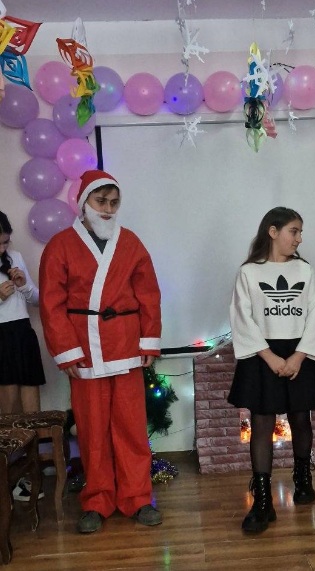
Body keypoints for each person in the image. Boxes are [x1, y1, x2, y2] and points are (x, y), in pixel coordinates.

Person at [39, 169, 163, 534]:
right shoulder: (60, 245)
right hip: (86, 349)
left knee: (131, 427)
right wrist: (66, 351)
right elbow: (51, 303)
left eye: (114, 203)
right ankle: (97, 500)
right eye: (101, 201)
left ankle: (137, 497)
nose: (108, 209)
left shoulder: (131, 243)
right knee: (92, 431)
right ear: (84, 203)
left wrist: (149, 340)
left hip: (125, 346)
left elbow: (149, 294)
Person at [228, 207, 315, 533]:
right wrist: (270, 357)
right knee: (262, 422)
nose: (299, 238)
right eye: (294, 231)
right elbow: (242, 317)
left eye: (300, 232)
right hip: (263, 355)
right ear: (273, 232)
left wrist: (299, 357)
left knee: (301, 417)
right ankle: (263, 502)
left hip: (299, 351)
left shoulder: (305, 271)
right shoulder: (249, 273)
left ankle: (303, 479)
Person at [0, 211, 46, 501]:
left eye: (5, 242)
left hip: (22, 333)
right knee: (8, 413)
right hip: (1, 338)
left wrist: (23, 285)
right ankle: (8, 478)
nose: (3, 248)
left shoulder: (15, 257)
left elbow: (38, 300)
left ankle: (32, 476)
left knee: (32, 413)